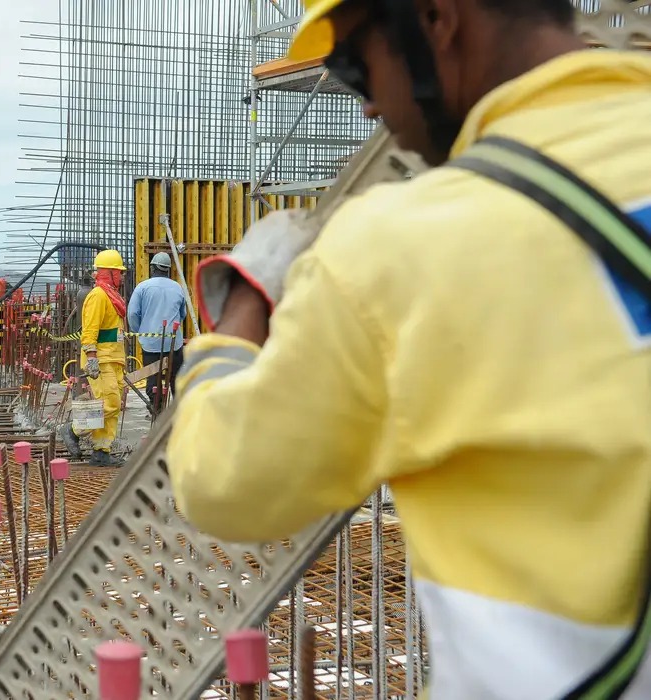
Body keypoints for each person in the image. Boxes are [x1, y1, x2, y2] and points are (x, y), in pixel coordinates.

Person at [167, 1, 651, 697]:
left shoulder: (395, 250)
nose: (368, 110)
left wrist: (243, 300)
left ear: (435, 19)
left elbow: (223, 480)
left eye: (355, 67)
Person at [59, 249, 128, 467]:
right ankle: (73, 430)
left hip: (114, 358)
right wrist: (92, 358)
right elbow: (90, 331)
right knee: (109, 403)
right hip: (101, 359)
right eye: (119, 272)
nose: (123, 276)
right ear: (109, 273)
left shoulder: (113, 297)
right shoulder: (98, 296)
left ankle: (101, 451)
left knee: (113, 406)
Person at [127, 251, 187, 412]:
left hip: (150, 344)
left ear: (152, 268)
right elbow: (183, 314)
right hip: (174, 343)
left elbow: (132, 313)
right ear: (168, 269)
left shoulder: (142, 287)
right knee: (177, 380)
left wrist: (140, 332)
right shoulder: (177, 287)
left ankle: (157, 409)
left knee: (153, 380)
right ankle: (179, 413)